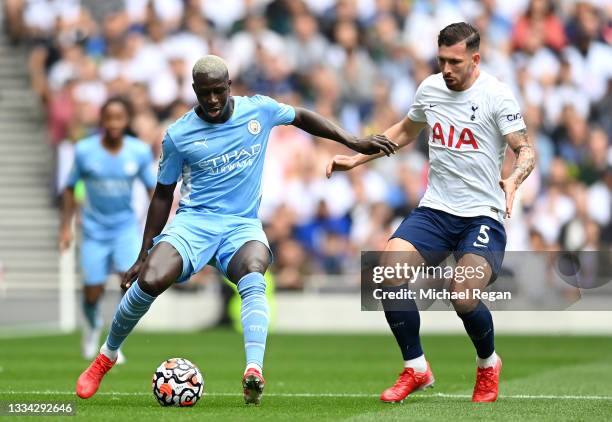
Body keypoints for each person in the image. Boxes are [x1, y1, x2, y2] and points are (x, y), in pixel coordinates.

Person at [75, 55, 397, 404]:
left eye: (218, 92)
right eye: (204, 94)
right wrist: (143, 253)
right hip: (194, 223)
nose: (212, 101)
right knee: (150, 279)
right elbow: (162, 194)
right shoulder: (178, 135)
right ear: (194, 91)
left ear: (229, 86)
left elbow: (302, 116)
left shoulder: (258, 110)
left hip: (241, 226)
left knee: (255, 270)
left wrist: (353, 142)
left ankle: (254, 371)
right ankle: (106, 356)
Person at [326, 22, 535, 403]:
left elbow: (525, 150)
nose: (446, 69)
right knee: (388, 274)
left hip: (482, 215)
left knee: (463, 295)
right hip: (436, 210)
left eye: (455, 62)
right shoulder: (431, 89)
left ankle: (488, 364)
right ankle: (416, 368)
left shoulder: (497, 96)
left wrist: (514, 180)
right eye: (441, 60)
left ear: (475, 58)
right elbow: (406, 131)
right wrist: (356, 159)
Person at [60, 96, 156, 363]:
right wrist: (65, 229)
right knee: (93, 290)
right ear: (102, 120)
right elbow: (69, 188)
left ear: (126, 121)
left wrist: (159, 224)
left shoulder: (137, 151)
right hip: (93, 231)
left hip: (124, 229)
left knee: (129, 287)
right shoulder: (85, 150)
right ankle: (92, 327)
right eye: (109, 117)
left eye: (119, 118)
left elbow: (153, 190)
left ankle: (114, 343)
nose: (114, 123)